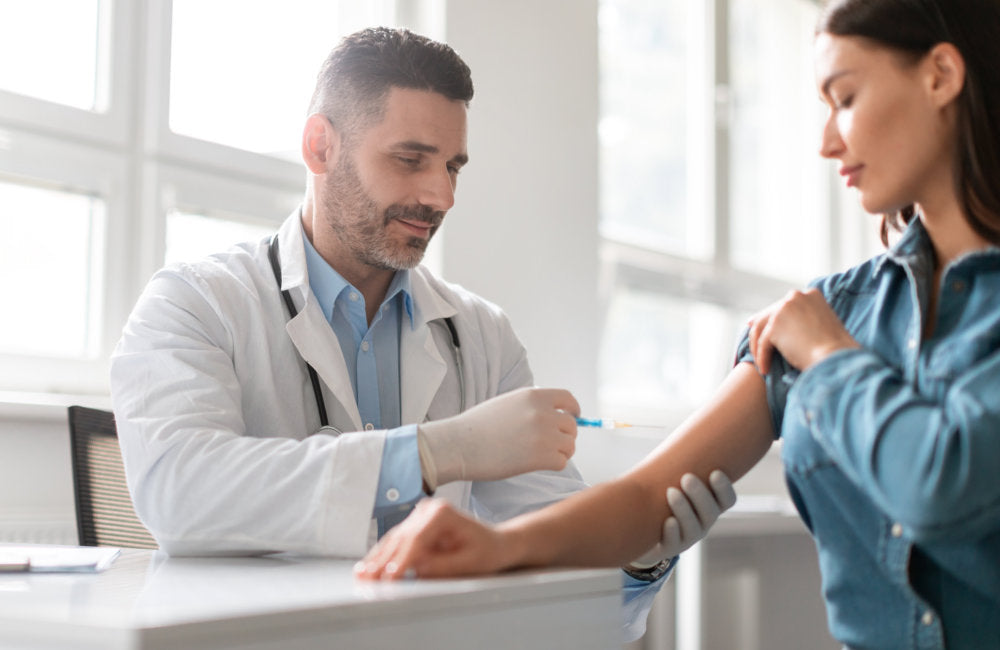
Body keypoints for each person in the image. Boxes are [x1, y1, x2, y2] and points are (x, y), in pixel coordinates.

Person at [356, 2, 1000, 647]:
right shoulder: (830, 308)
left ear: (940, 74)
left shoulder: (818, 329)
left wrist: (830, 357)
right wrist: (498, 545)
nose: (827, 141)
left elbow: (943, 487)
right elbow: (647, 497)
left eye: (847, 97)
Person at [109, 27, 733, 641]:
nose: (441, 195)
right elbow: (180, 490)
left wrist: (635, 550)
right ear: (320, 146)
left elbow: (548, 548)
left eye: (453, 167)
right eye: (409, 160)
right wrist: (434, 454)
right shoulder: (196, 302)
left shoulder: (481, 336)